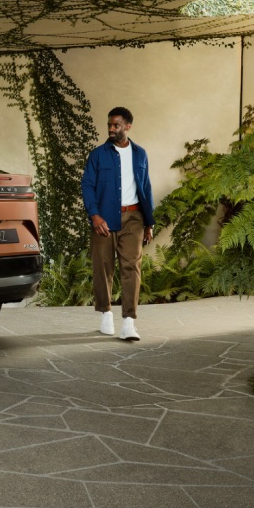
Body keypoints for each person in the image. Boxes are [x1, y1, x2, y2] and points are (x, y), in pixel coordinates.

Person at [80, 106, 155, 341]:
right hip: (104, 219)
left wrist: (149, 222)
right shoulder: (98, 155)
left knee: (131, 267)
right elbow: (87, 185)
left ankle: (129, 322)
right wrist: (95, 215)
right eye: (110, 125)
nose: (112, 129)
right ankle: (106, 315)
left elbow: (146, 188)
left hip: (134, 218)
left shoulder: (140, 154)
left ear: (128, 126)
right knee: (103, 267)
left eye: (116, 125)